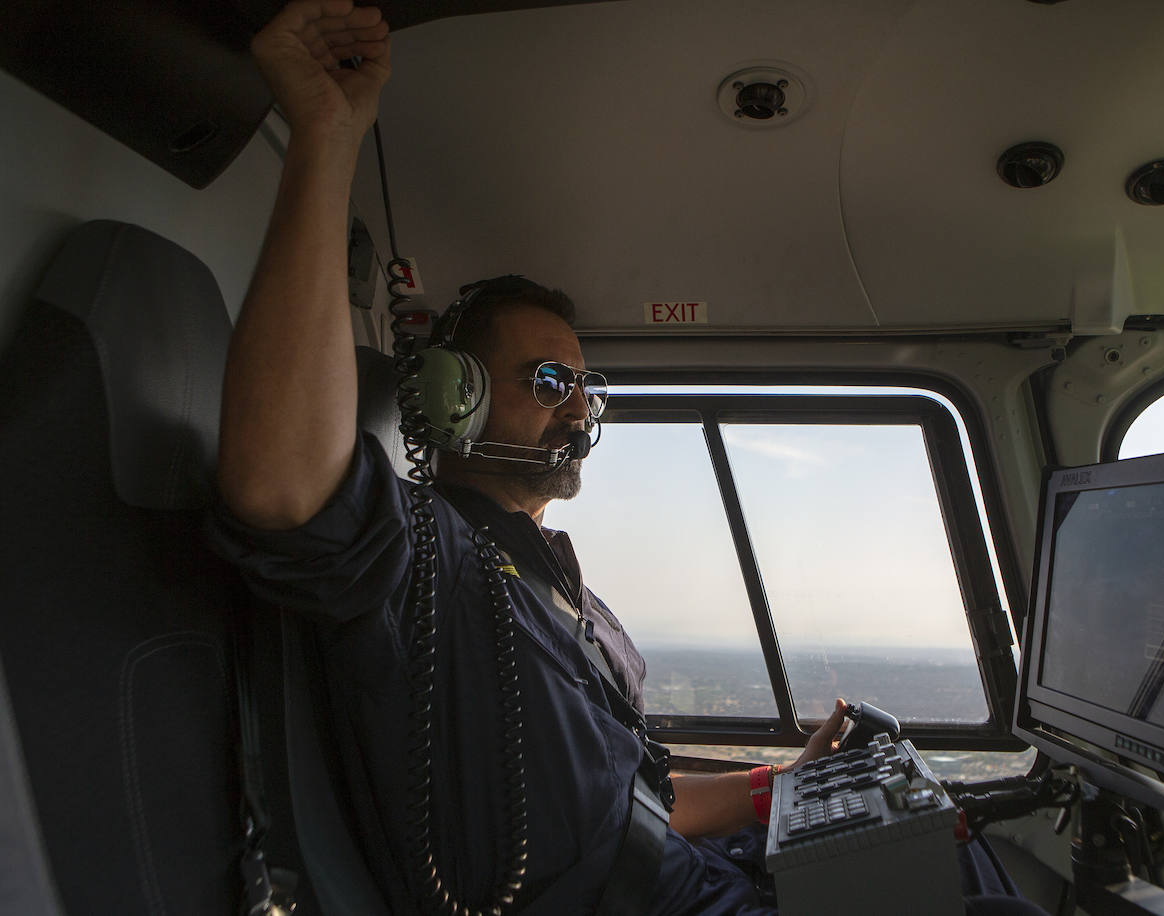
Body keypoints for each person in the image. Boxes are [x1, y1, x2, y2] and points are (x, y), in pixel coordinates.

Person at [213, 3, 848, 913]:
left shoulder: (556, 584)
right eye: (549, 379)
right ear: (453, 394)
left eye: (586, 387)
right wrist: (327, 131)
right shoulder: (420, 557)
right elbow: (278, 486)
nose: (579, 409)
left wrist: (790, 784)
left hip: (692, 881)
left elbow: (645, 806)